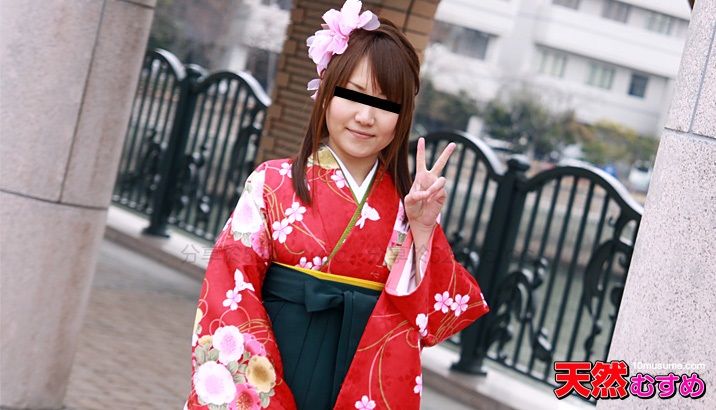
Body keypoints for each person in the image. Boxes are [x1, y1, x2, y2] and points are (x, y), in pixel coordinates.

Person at [185, 1, 489, 409]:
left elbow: (434, 318)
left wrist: (422, 230)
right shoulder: (271, 183)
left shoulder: (407, 207)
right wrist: (261, 394)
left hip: (367, 379)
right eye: (353, 95)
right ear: (326, 94)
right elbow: (229, 291)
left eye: (385, 104)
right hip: (274, 367)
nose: (366, 116)